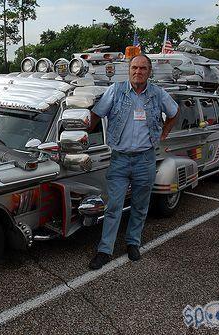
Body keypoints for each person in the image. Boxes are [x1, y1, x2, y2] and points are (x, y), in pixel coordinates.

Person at [88, 54, 179, 270]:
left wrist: (164, 133)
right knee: (114, 205)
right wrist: (84, 137)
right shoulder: (116, 90)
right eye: (134, 68)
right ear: (129, 70)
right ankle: (105, 250)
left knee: (140, 205)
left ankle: (133, 243)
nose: (138, 72)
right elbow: (96, 114)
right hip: (119, 159)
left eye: (143, 68)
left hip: (145, 159)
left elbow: (174, 112)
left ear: (149, 72)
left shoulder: (157, 94)